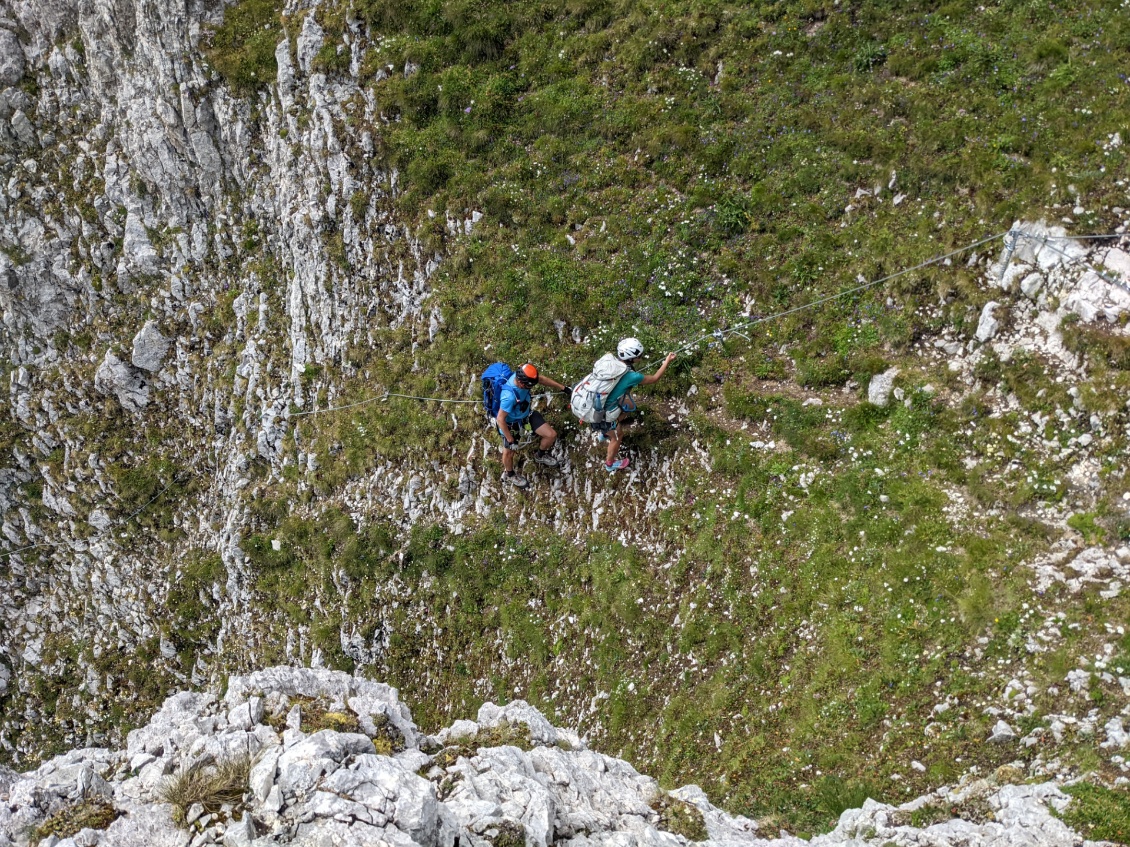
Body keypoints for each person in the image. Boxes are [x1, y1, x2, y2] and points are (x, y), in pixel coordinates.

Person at [596, 338, 676, 473]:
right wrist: (667, 360)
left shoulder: (611, 363)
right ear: (632, 358)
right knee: (617, 436)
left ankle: (604, 432)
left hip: (595, 402)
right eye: (639, 356)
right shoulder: (633, 376)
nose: (641, 357)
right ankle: (610, 464)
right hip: (604, 411)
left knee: (628, 407)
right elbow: (655, 378)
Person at [497, 363, 570, 488]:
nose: (530, 387)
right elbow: (500, 419)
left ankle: (540, 455)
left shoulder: (524, 377)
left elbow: (541, 379)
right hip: (511, 424)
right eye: (528, 386)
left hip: (526, 415)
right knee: (509, 452)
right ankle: (510, 474)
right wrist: (510, 439)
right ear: (520, 383)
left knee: (551, 435)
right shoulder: (508, 397)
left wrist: (563, 388)